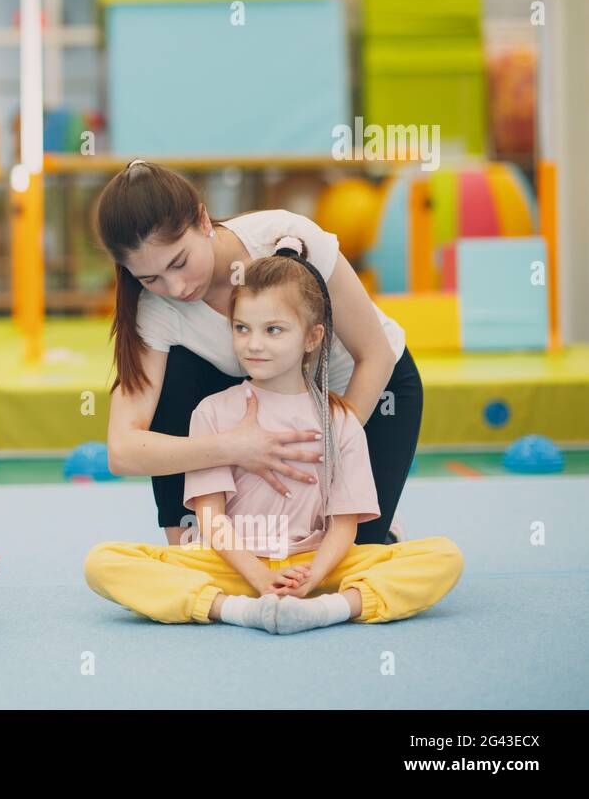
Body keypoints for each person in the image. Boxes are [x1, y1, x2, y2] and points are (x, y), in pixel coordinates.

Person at [84, 239, 463, 633]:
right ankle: (235, 609)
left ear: (312, 338)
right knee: (104, 562)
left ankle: (329, 608)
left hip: (316, 561)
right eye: (242, 328)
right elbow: (209, 516)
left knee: (443, 556)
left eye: (274, 330)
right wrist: (257, 577)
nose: (254, 344)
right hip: (232, 563)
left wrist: (315, 574)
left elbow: (344, 524)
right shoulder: (213, 412)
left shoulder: (342, 420)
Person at [98, 160, 418, 546]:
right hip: (265, 405)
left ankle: (383, 528)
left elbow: (375, 355)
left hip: (366, 392)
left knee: (346, 558)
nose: (177, 287)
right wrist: (233, 448)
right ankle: (188, 534)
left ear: (202, 221)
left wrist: (331, 455)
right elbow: (123, 449)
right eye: (150, 278)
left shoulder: (284, 238)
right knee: (176, 370)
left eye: (179, 262)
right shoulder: (155, 310)